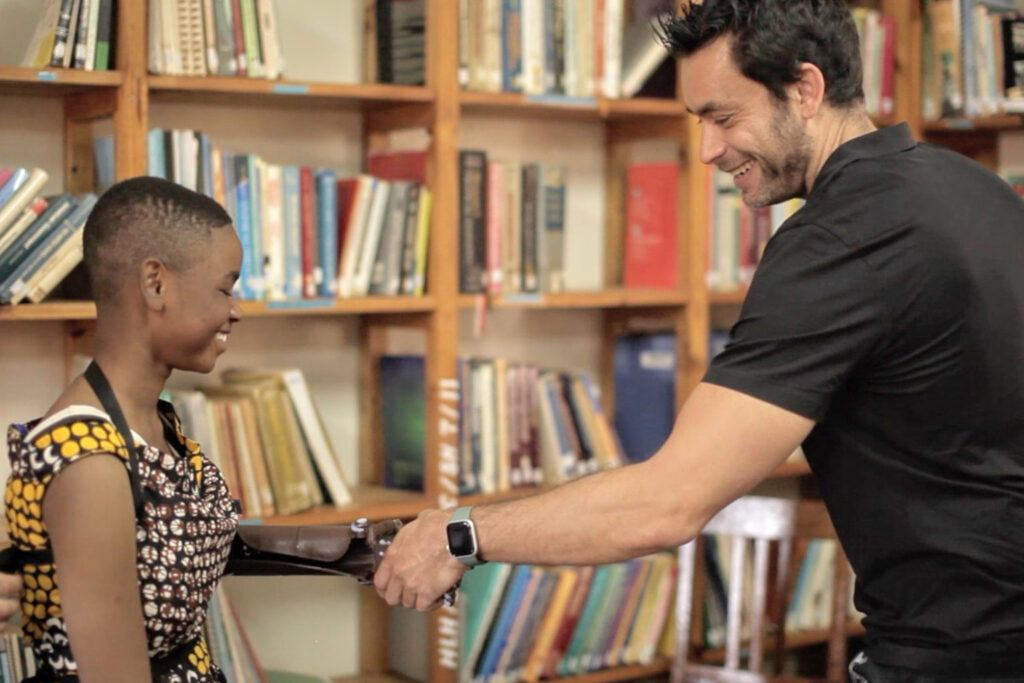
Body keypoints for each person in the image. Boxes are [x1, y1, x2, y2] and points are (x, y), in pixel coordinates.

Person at [373, 1, 1024, 680]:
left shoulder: (836, 242)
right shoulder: (977, 191)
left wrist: (463, 534)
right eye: (700, 122)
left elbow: (668, 502)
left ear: (806, 90)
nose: (710, 149)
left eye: (724, 116)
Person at [5, 176, 242, 682]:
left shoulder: (156, 423)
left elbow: (183, 538)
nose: (235, 311)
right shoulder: (88, 461)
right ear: (155, 284)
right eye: (225, 288)